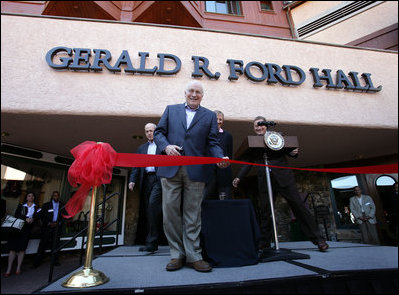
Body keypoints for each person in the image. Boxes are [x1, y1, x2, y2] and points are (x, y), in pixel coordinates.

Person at [154, 80, 229, 272]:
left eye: (198, 92)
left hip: (196, 171)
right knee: (170, 213)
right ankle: (176, 254)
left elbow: (212, 142)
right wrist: (166, 146)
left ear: (202, 96)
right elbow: (159, 133)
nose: (194, 94)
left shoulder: (210, 116)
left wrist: (220, 156)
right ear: (185, 93)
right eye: (191, 91)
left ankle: (194, 256)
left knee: (192, 215)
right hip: (170, 168)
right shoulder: (171, 110)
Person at [232, 116, 329, 253]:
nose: (259, 127)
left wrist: (293, 152)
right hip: (265, 180)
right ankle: (265, 243)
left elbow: (290, 150)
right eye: (256, 126)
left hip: (283, 178)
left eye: (261, 125)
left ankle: (319, 240)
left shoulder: (277, 137)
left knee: (299, 207)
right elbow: (248, 161)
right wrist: (239, 177)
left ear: (267, 125)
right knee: (266, 212)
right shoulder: (253, 143)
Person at [129, 123, 163, 252]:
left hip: (159, 179)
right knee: (149, 211)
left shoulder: (162, 146)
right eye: (147, 131)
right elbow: (136, 166)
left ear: (156, 131)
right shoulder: (141, 148)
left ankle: (153, 241)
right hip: (146, 180)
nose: (149, 133)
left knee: (152, 206)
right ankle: (151, 243)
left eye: (152, 131)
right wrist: (132, 180)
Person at [4, 192, 41, 277]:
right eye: (29, 196)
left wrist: (33, 219)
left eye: (32, 196)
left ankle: (18, 268)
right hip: (17, 228)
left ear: (34, 198)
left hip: (27, 229)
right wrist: (26, 218)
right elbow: (16, 214)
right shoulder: (21, 205)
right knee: (13, 248)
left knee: (22, 249)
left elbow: (39, 216)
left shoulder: (37, 207)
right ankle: (9, 269)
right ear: (26, 197)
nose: (31, 197)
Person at [203, 110, 233, 200]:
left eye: (220, 119)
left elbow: (229, 155)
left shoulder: (228, 136)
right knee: (205, 200)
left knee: (224, 202)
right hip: (207, 175)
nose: (218, 121)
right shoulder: (204, 135)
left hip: (223, 175)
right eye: (216, 119)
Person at [32, 191, 65, 268]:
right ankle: (37, 262)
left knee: (55, 244)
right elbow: (41, 215)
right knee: (43, 244)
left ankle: (55, 261)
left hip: (56, 227)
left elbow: (63, 216)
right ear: (52, 196)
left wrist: (58, 223)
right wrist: (48, 223)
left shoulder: (62, 205)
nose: (55, 197)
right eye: (54, 196)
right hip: (47, 227)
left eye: (57, 196)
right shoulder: (46, 205)